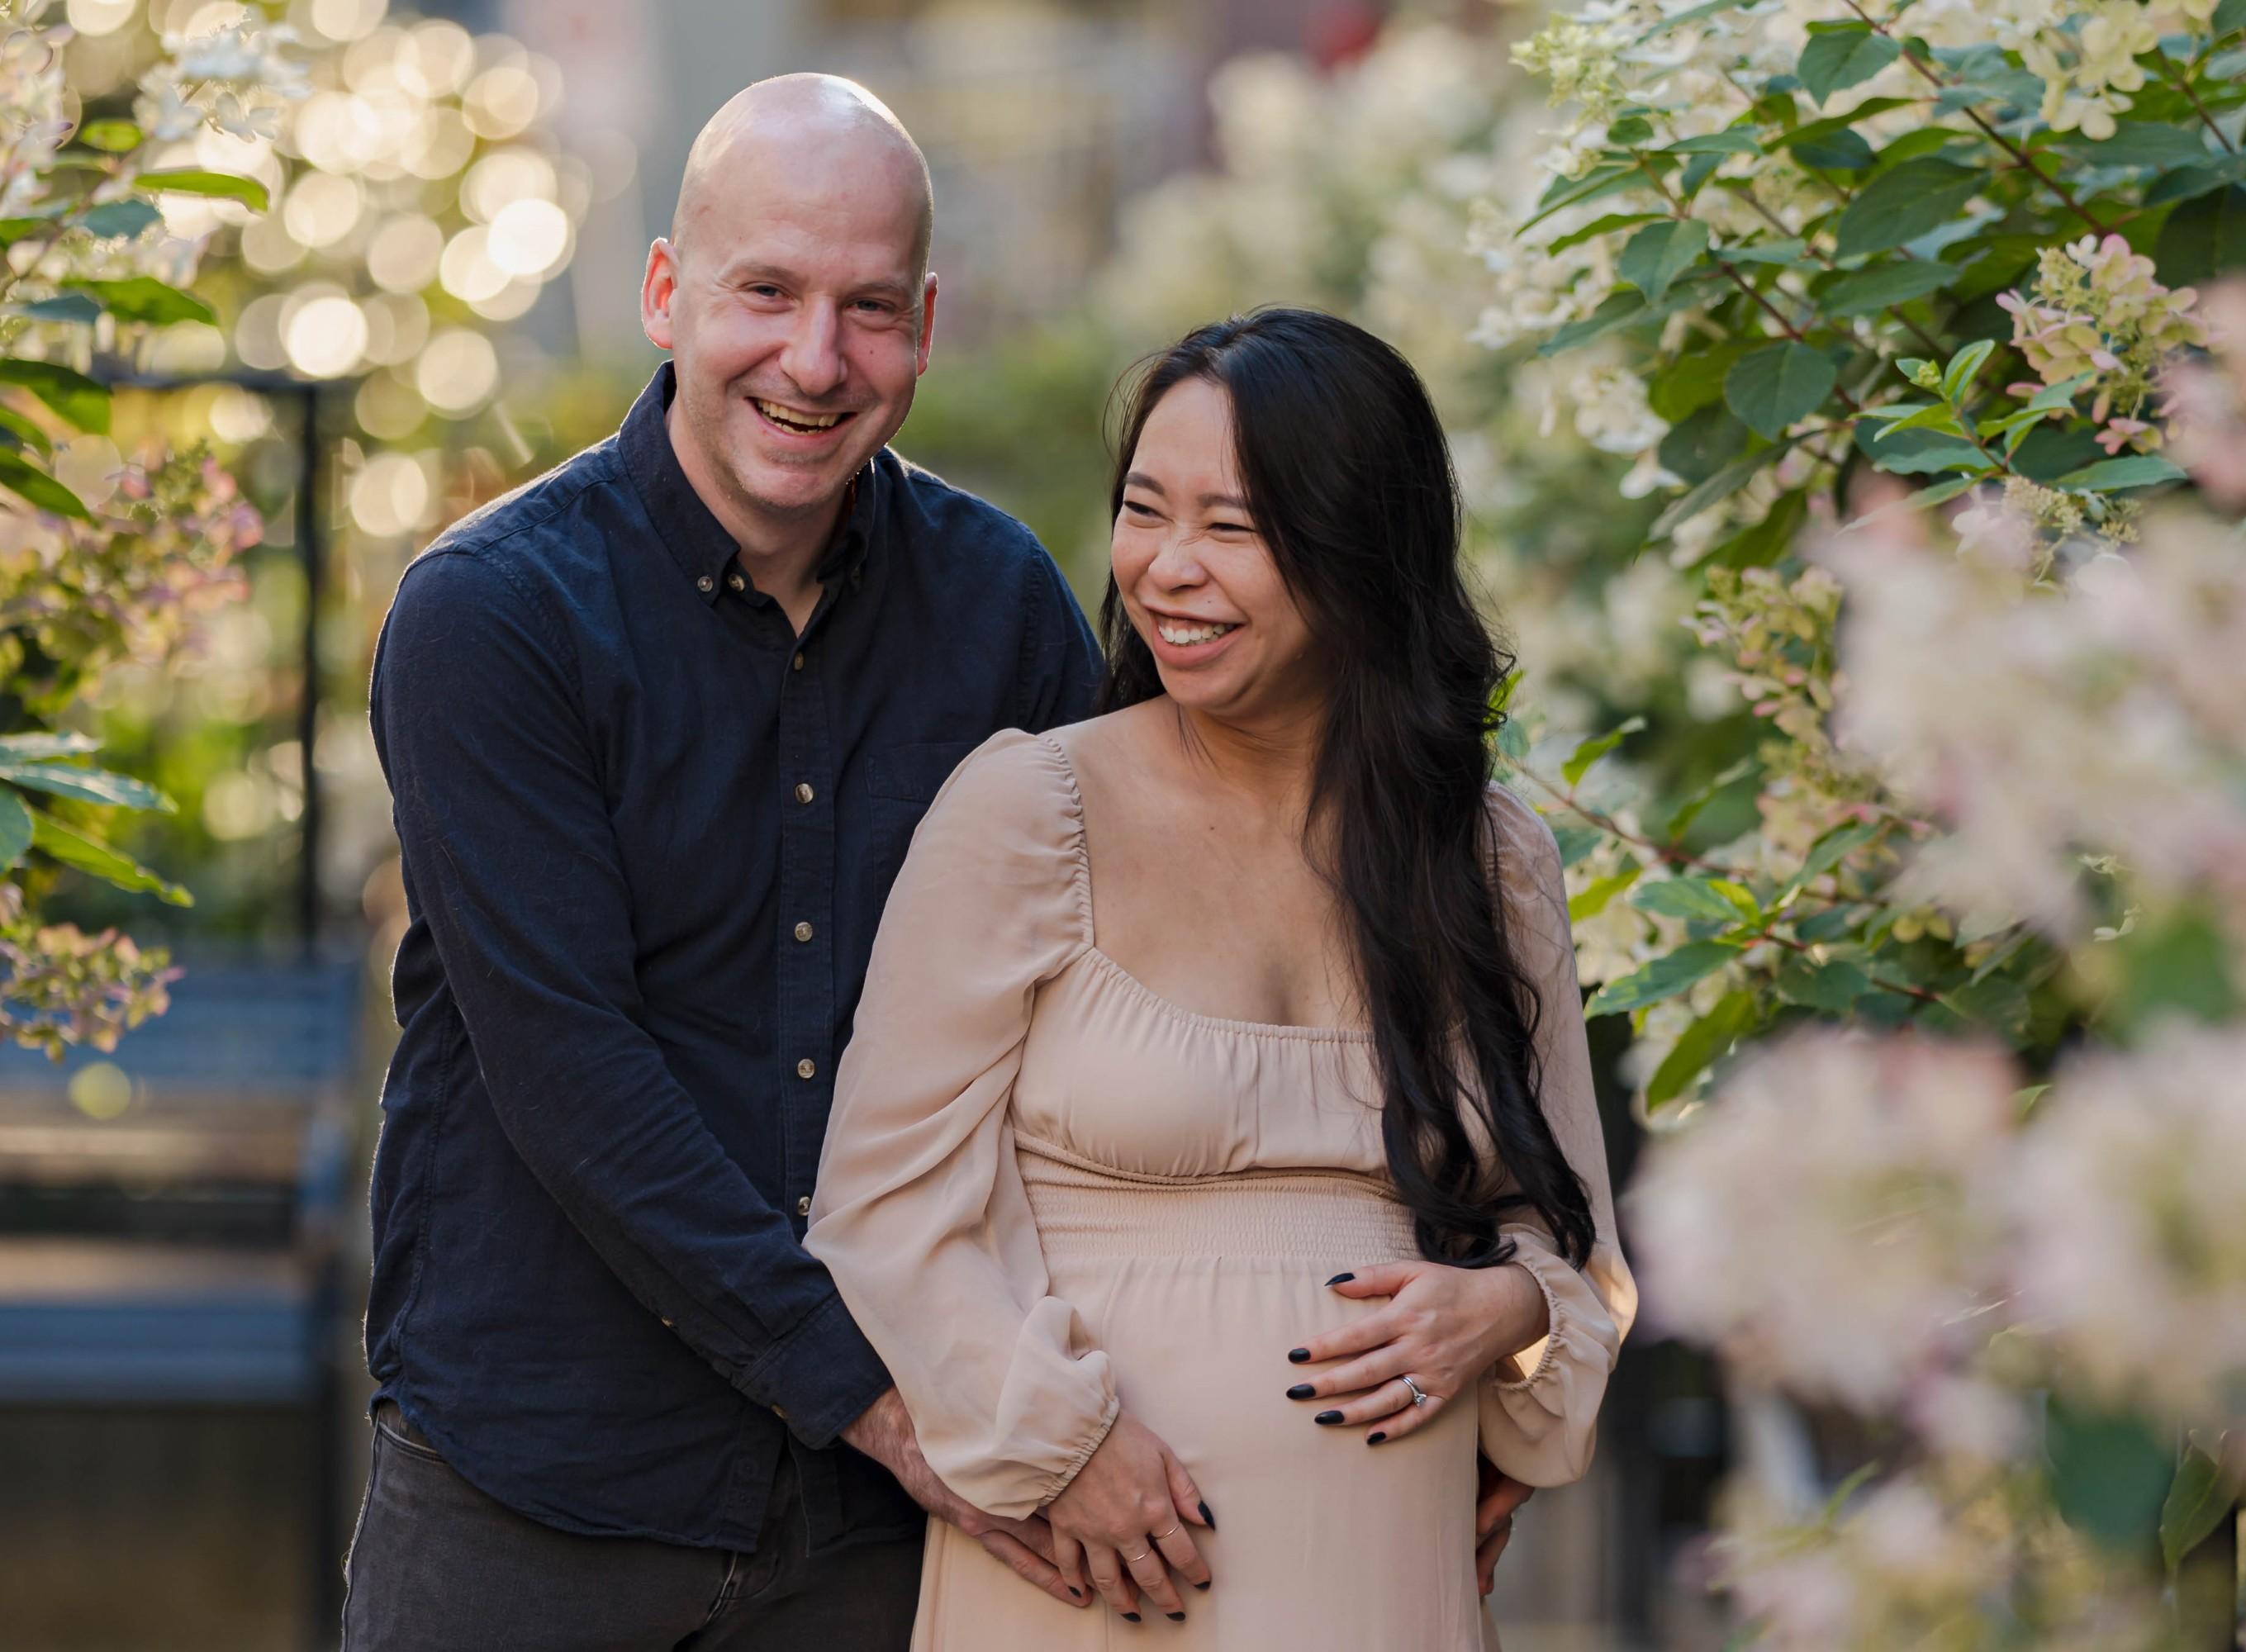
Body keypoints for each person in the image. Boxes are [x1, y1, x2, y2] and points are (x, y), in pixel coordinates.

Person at [346, 76, 1103, 1650]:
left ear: (927, 322)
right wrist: (903, 1413)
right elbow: (580, 1082)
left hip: (870, 1547)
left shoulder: (1005, 614)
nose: (816, 363)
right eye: (768, 291)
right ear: (666, 292)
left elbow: (1096, 1032)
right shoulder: (493, 619)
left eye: (870, 308)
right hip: (540, 1495)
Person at [810, 307, 1638, 1649]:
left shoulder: (1489, 861)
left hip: (1383, 1584)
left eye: (1234, 529)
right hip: (1095, 1581)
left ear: (1360, 553)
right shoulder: (1029, 809)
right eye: (1146, 511)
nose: (1169, 569)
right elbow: (884, 1208)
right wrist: (1059, 1446)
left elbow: (1577, 1247)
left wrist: (1507, 1313)